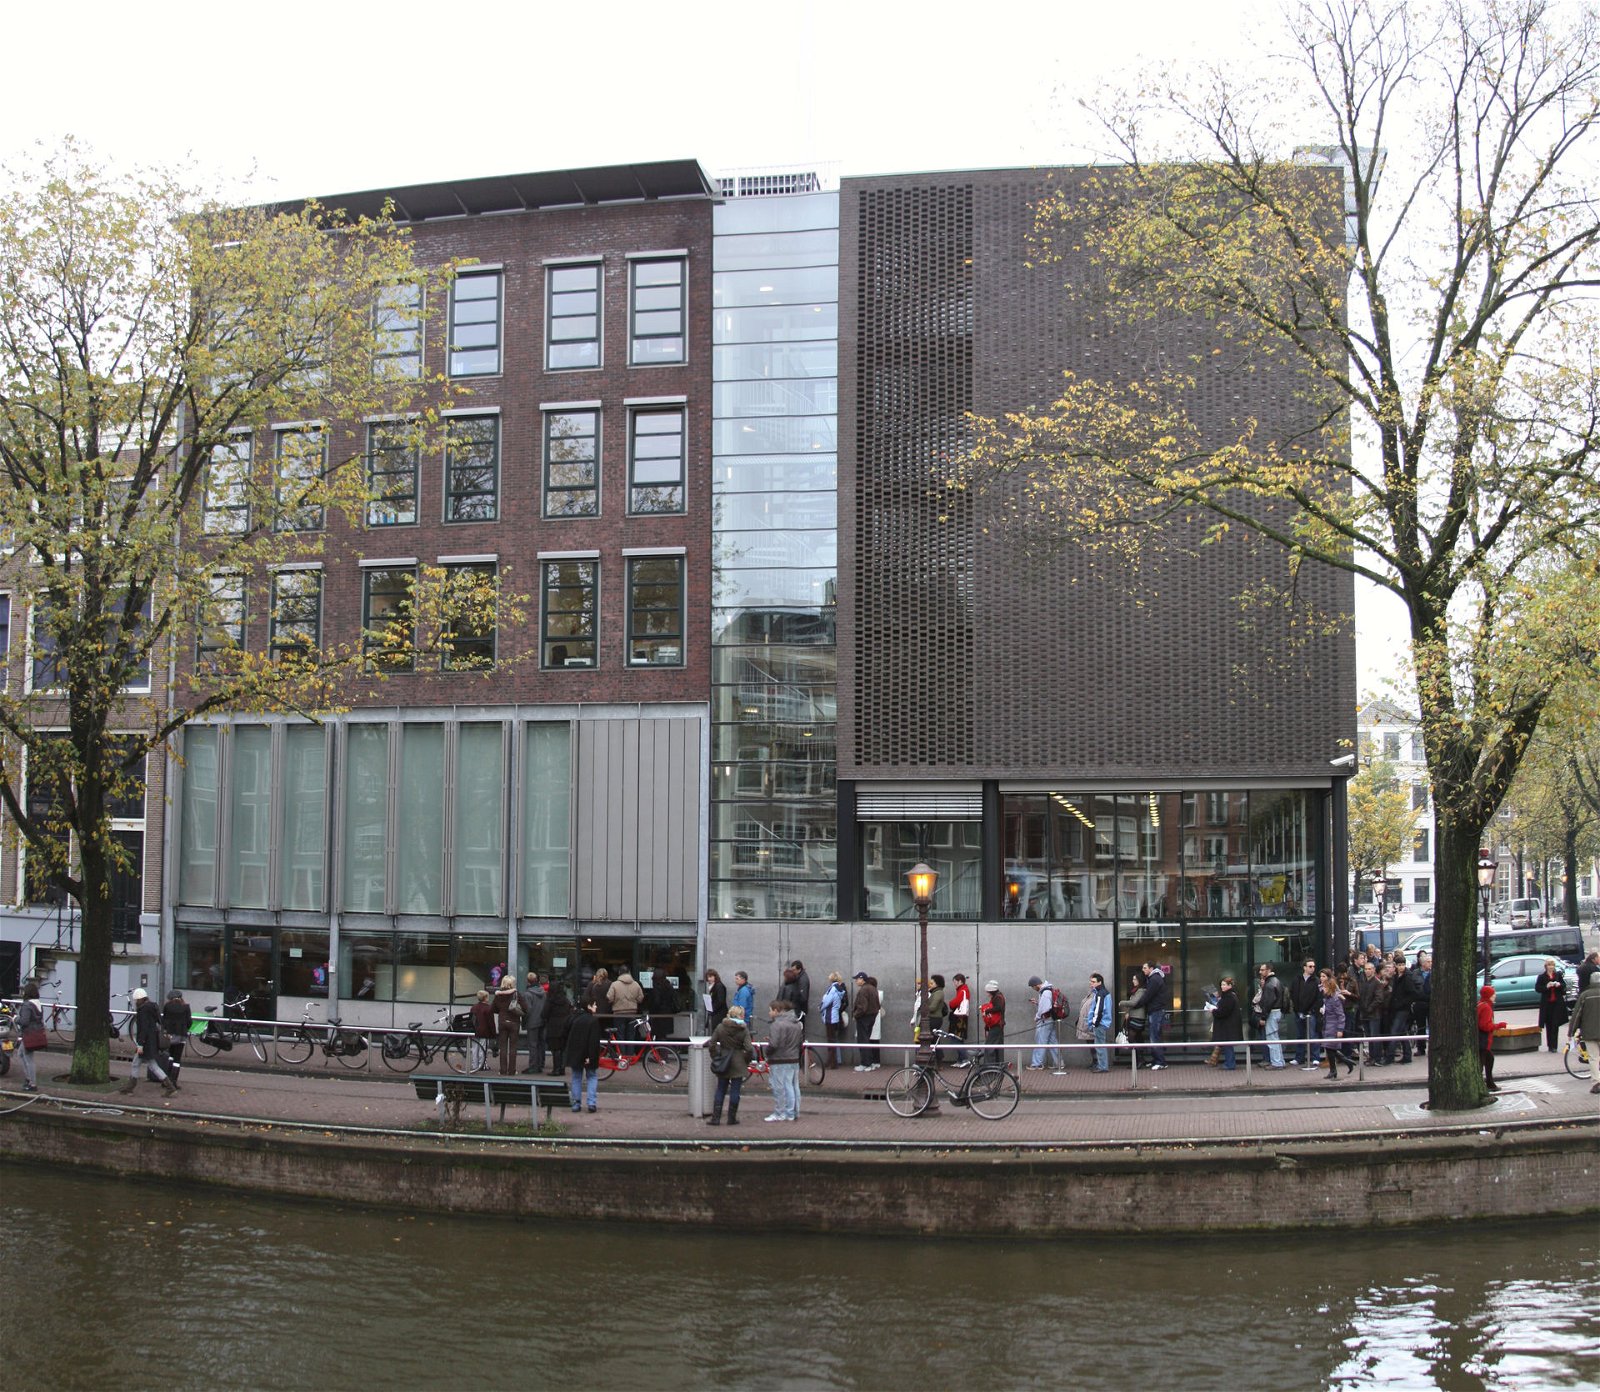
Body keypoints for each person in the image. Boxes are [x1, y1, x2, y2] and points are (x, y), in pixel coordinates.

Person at [118, 987, 177, 1097]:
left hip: (145, 1043)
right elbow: (160, 1021)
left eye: (136, 1000)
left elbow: (143, 1029)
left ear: (139, 999)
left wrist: (140, 1044)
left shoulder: (142, 1011)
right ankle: (169, 1087)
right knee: (149, 1065)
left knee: (144, 1065)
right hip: (152, 1041)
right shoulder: (153, 1006)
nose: (135, 1002)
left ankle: (131, 1087)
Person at [707, 1004, 753, 1126]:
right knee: (735, 1090)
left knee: (721, 1089)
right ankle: (731, 1118)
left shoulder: (721, 1027)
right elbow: (749, 1049)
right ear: (740, 1015)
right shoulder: (743, 1029)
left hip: (723, 1059)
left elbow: (711, 1044)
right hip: (738, 1061)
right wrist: (745, 1060)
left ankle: (715, 1118)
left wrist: (716, 1057)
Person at [763, 999, 804, 1122]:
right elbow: (799, 1041)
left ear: (776, 1011)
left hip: (779, 1059)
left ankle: (780, 1113)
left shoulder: (776, 1024)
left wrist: (767, 1051)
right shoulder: (796, 1023)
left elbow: (774, 1044)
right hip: (794, 1059)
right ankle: (793, 1112)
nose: (769, 1013)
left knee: (779, 1088)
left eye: (770, 1010)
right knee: (793, 1086)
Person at [564, 998, 603, 1113]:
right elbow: (593, 1042)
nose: (596, 1007)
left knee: (576, 1077)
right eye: (594, 1005)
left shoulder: (573, 1018)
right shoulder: (593, 1021)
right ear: (589, 1007)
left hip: (575, 1053)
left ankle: (576, 1103)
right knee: (591, 1076)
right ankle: (591, 1102)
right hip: (587, 1054)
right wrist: (590, 1056)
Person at [1565, 971, 1600, 1094]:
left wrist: (1571, 1031)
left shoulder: (1585, 995)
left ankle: (1596, 1083)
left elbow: (1577, 1015)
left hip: (1589, 1033)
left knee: (1593, 1058)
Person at [1387, 954, 1422, 1064]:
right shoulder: (1397, 977)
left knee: (1394, 1032)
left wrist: (1401, 1003)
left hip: (1403, 1009)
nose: (1401, 967)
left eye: (1402, 964)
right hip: (1397, 1008)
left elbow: (1412, 994)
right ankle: (1407, 1055)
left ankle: (1389, 1057)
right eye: (1399, 965)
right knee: (1402, 1032)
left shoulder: (1407, 977)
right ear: (1396, 966)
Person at [1320, 969, 1353, 1079]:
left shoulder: (1334, 999)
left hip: (1333, 1026)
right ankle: (1345, 1063)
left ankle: (1334, 1070)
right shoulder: (1327, 999)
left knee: (1330, 1048)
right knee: (1330, 1048)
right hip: (1328, 1025)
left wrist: (1340, 1029)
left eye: (1324, 988)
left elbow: (1341, 1015)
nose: (1323, 989)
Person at [1026, 975, 1064, 1073]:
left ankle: (1037, 1064)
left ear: (1036, 985)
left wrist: (1037, 1017)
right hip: (1050, 1019)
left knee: (1040, 1041)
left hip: (1045, 1020)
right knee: (1053, 1042)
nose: (1033, 989)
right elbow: (1047, 1006)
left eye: (1032, 987)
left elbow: (1045, 1008)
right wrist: (1037, 1003)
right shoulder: (1048, 990)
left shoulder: (1046, 992)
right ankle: (1059, 1063)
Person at [1292, 957, 1323, 1069]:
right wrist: (1296, 1008)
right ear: (1304, 967)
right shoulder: (1297, 979)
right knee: (1300, 1035)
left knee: (1312, 1035)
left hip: (1311, 1012)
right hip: (1299, 1011)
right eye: (1310, 966)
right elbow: (1293, 993)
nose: (1312, 968)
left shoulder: (1316, 981)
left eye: (1313, 966)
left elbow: (1318, 997)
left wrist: (1312, 1009)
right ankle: (1299, 1057)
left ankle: (1315, 1057)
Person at [1253, 962, 1287, 1069]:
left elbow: (1267, 1002)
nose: (1260, 972)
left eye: (1262, 970)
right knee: (1274, 1037)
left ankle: (1277, 1063)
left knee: (1272, 1038)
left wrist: (1263, 1017)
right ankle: (1279, 1061)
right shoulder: (1276, 981)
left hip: (1272, 1012)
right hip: (1276, 1011)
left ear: (1268, 970)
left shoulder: (1269, 984)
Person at [13, 982, 45, 1092]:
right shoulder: (38, 1004)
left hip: (28, 1034)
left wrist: (16, 1018)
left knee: (28, 1058)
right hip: (36, 1033)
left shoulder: (27, 1005)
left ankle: (32, 1083)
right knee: (20, 1053)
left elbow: (24, 1021)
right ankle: (28, 1078)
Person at [1534, 958, 1569, 1052]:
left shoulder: (1557, 975)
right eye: (1549, 965)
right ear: (1546, 967)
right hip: (1547, 1003)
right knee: (1549, 1024)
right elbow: (1537, 988)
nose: (1551, 967)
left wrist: (1559, 985)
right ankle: (1550, 1045)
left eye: (1552, 965)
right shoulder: (1541, 977)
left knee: (1555, 1024)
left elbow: (1564, 986)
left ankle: (1554, 1046)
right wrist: (1547, 986)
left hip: (1557, 1003)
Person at [1477, 983, 1507, 1092]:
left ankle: (1489, 1083)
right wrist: (1499, 1025)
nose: (1495, 996)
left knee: (1489, 1059)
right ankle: (1486, 1084)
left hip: (1481, 1040)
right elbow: (1484, 1026)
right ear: (1488, 995)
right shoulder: (1486, 1007)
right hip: (1483, 1040)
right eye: (1493, 994)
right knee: (1483, 1062)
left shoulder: (1480, 1004)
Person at [1208, 976, 1242, 1070]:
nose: (1222, 986)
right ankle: (1229, 1063)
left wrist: (1214, 1011)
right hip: (1229, 1025)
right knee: (1227, 1045)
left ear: (1229, 985)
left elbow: (1223, 1012)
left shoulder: (1228, 997)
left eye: (1224, 985)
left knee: (1227, 1045)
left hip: (1227, 1026)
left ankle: (1230, 1064)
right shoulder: (1231, 995)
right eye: (1221, 984)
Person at [1142, 960, 1170, 1068]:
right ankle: (1156, 1060)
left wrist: (1137, 1004)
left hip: (1156, 1010)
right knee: (1154, 1035)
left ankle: (1160, 1062)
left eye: (1145, 968)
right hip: (1155, 1009)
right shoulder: (1154, 978)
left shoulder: (1154, 979)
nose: (1143, 970)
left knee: (1154, 1036)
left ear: (1151, 968)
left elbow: (1148, 995)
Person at [160, 990, 192, 1084]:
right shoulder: (186, 1007)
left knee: (170, 1056)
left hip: (170, 1035)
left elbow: (164, 1020)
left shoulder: (167, 1006)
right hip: (181, 1035)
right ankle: (173, 1081)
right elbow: (189, 1021)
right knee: (177, 1059)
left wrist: (167, 1029)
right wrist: (185, 1028)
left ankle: (166, 1080)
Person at [1083, 972, 1113, 1072]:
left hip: (1100, 1023)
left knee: (1099, 1045)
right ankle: (1102, 1066)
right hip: (1102, 1023)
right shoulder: (1103, 992)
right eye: (1091, 981)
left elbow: (1099, 1010)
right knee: (1100, 1044)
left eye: (1093, 982)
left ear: (1099, 982)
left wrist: (1094, 1023)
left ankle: (1102, 1067)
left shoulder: (1100, 994)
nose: (1091, 983)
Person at [851, 971, 880, 1071]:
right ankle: (870, 1062)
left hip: (864, 1017)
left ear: (862, 979)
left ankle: (865, 1063)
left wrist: (855, 1015)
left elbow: (862, 1007)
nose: (856, 981)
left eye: (857, 979)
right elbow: (877, 1005)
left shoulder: (863, 990)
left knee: (863, 1040)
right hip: (872, 1017)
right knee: (867, 1039)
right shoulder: (873, 988)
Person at [494, 973, 523, 1074]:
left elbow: (493, 1008)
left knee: (503, 1047)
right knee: (513, 1047)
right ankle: (512, 1070)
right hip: (514, 1022)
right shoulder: (516, 994)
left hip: (502, 1021)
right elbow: (526, 1008)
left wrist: (502, 1011)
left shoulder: (498, 995)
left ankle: (502, 1070)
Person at [543, 982, 574, 1078]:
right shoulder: (566, 1001)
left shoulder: (550, 1001)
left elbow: (544, 1014)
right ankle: (561, 1068)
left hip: (553, 1027)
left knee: (555, 1049)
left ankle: (556, 1069)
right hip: (564, 1027)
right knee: (562, 1048)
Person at [818, 971, 849, 1066]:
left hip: (830, 1016)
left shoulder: (832, 989)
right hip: (835, 1016)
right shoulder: (839, 989)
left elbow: (826, 1001)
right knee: (833, 1039)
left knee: (830, 1040)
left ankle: (832, 1062)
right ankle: (833, 1061)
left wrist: (820, 1007)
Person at [521, 971, 547, 1074]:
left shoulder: (527, 994)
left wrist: (524, 1020)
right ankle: (540, 1064)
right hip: (542, 1020)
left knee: (532, 1044)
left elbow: (528, 1010)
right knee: (541, 1043)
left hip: (532, 1021)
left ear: (528, 981)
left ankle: (533, 1066)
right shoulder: (543, 992)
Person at [607, 969, 645, 1038]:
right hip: (632, 1013)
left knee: (620, 1035)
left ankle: (621, 1049)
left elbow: (609, 998)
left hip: (618, 1013)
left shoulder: (615, 984)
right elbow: (641, 998)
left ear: (619, 973)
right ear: (629, 973)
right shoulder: (636, 984)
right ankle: (630, 1049)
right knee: (631, 1036)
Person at [469, 989, 496, 1072]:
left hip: (474, 1031)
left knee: (474, 1049)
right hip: (484, 1032)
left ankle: (474, 1065)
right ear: (485, 998)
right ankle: (482, 1065)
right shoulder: (488, 1008)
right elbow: (491, 1022)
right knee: (483, 1049)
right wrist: (493, 1033)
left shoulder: (474, 1007)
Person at [646, 970, 679, 1039]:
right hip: (667, 1015)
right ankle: (663, 1049)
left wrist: (651, 1011)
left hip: (658, 1016)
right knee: (663, 1037)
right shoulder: (669, 986)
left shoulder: (657, 987)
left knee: (659, 1036)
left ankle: (660, 1049)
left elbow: (656, 1002)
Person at [981, 980, 1006, 1065]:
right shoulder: (999, 996)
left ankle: (989, 1066)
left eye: (987, 991)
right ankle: (999, 1065)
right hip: (999, 1025)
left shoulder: (997, 998)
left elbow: (998, 1008)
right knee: (998, 1046)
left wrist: (987, 1011)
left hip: (996, 1025)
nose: (986, 993)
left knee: (989, 1046)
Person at [948, 973, 972, 1060]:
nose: (954, 984)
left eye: (955, 982)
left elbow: (955, 1002)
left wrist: (950, 1003)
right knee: (958, 1039)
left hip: (959, 1018)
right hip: (961, 1018)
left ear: (960, 981)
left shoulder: (962, 991)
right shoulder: (963, 990)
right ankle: (961, 1059)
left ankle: (964, 1059)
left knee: (955, 1038)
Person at [925, 974, 949, 1044]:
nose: (930, 985)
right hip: (935, 1018)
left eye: (932, 983)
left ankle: (938, 1054)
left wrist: (924, 1008)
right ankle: (937, 1054)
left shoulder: (938, 993)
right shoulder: (935, 992)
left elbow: (933, 1007)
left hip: (934, 1019)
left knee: (933, 1039)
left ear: (937, 984)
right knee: (934, 1039)